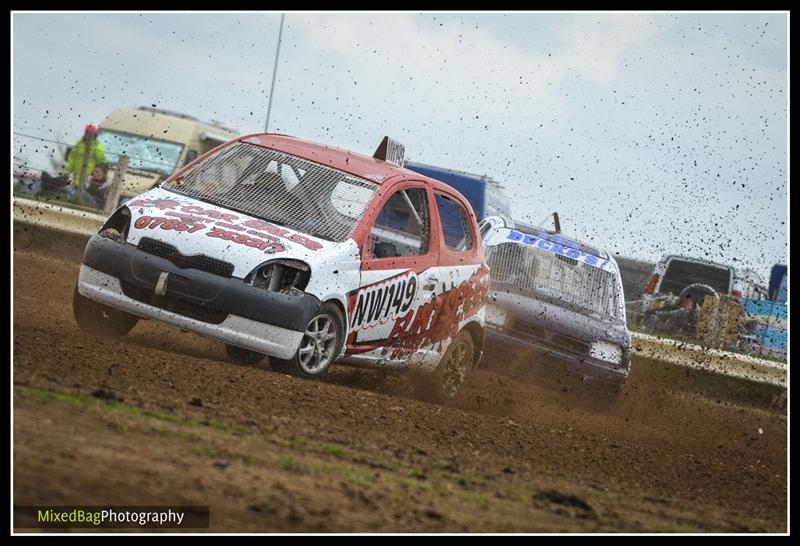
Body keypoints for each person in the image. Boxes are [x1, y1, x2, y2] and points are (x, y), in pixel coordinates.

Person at [64, 124, 106, 200]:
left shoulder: (98, 147)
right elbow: (71, 160)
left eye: (90, 133)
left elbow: (101, 162)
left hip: (89, 180)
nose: (88, 134)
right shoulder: (79, 144)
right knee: (69, 194)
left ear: (94, 134)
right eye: (87, 132)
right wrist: (66, 173)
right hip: (75, 178)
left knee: (82, 197)